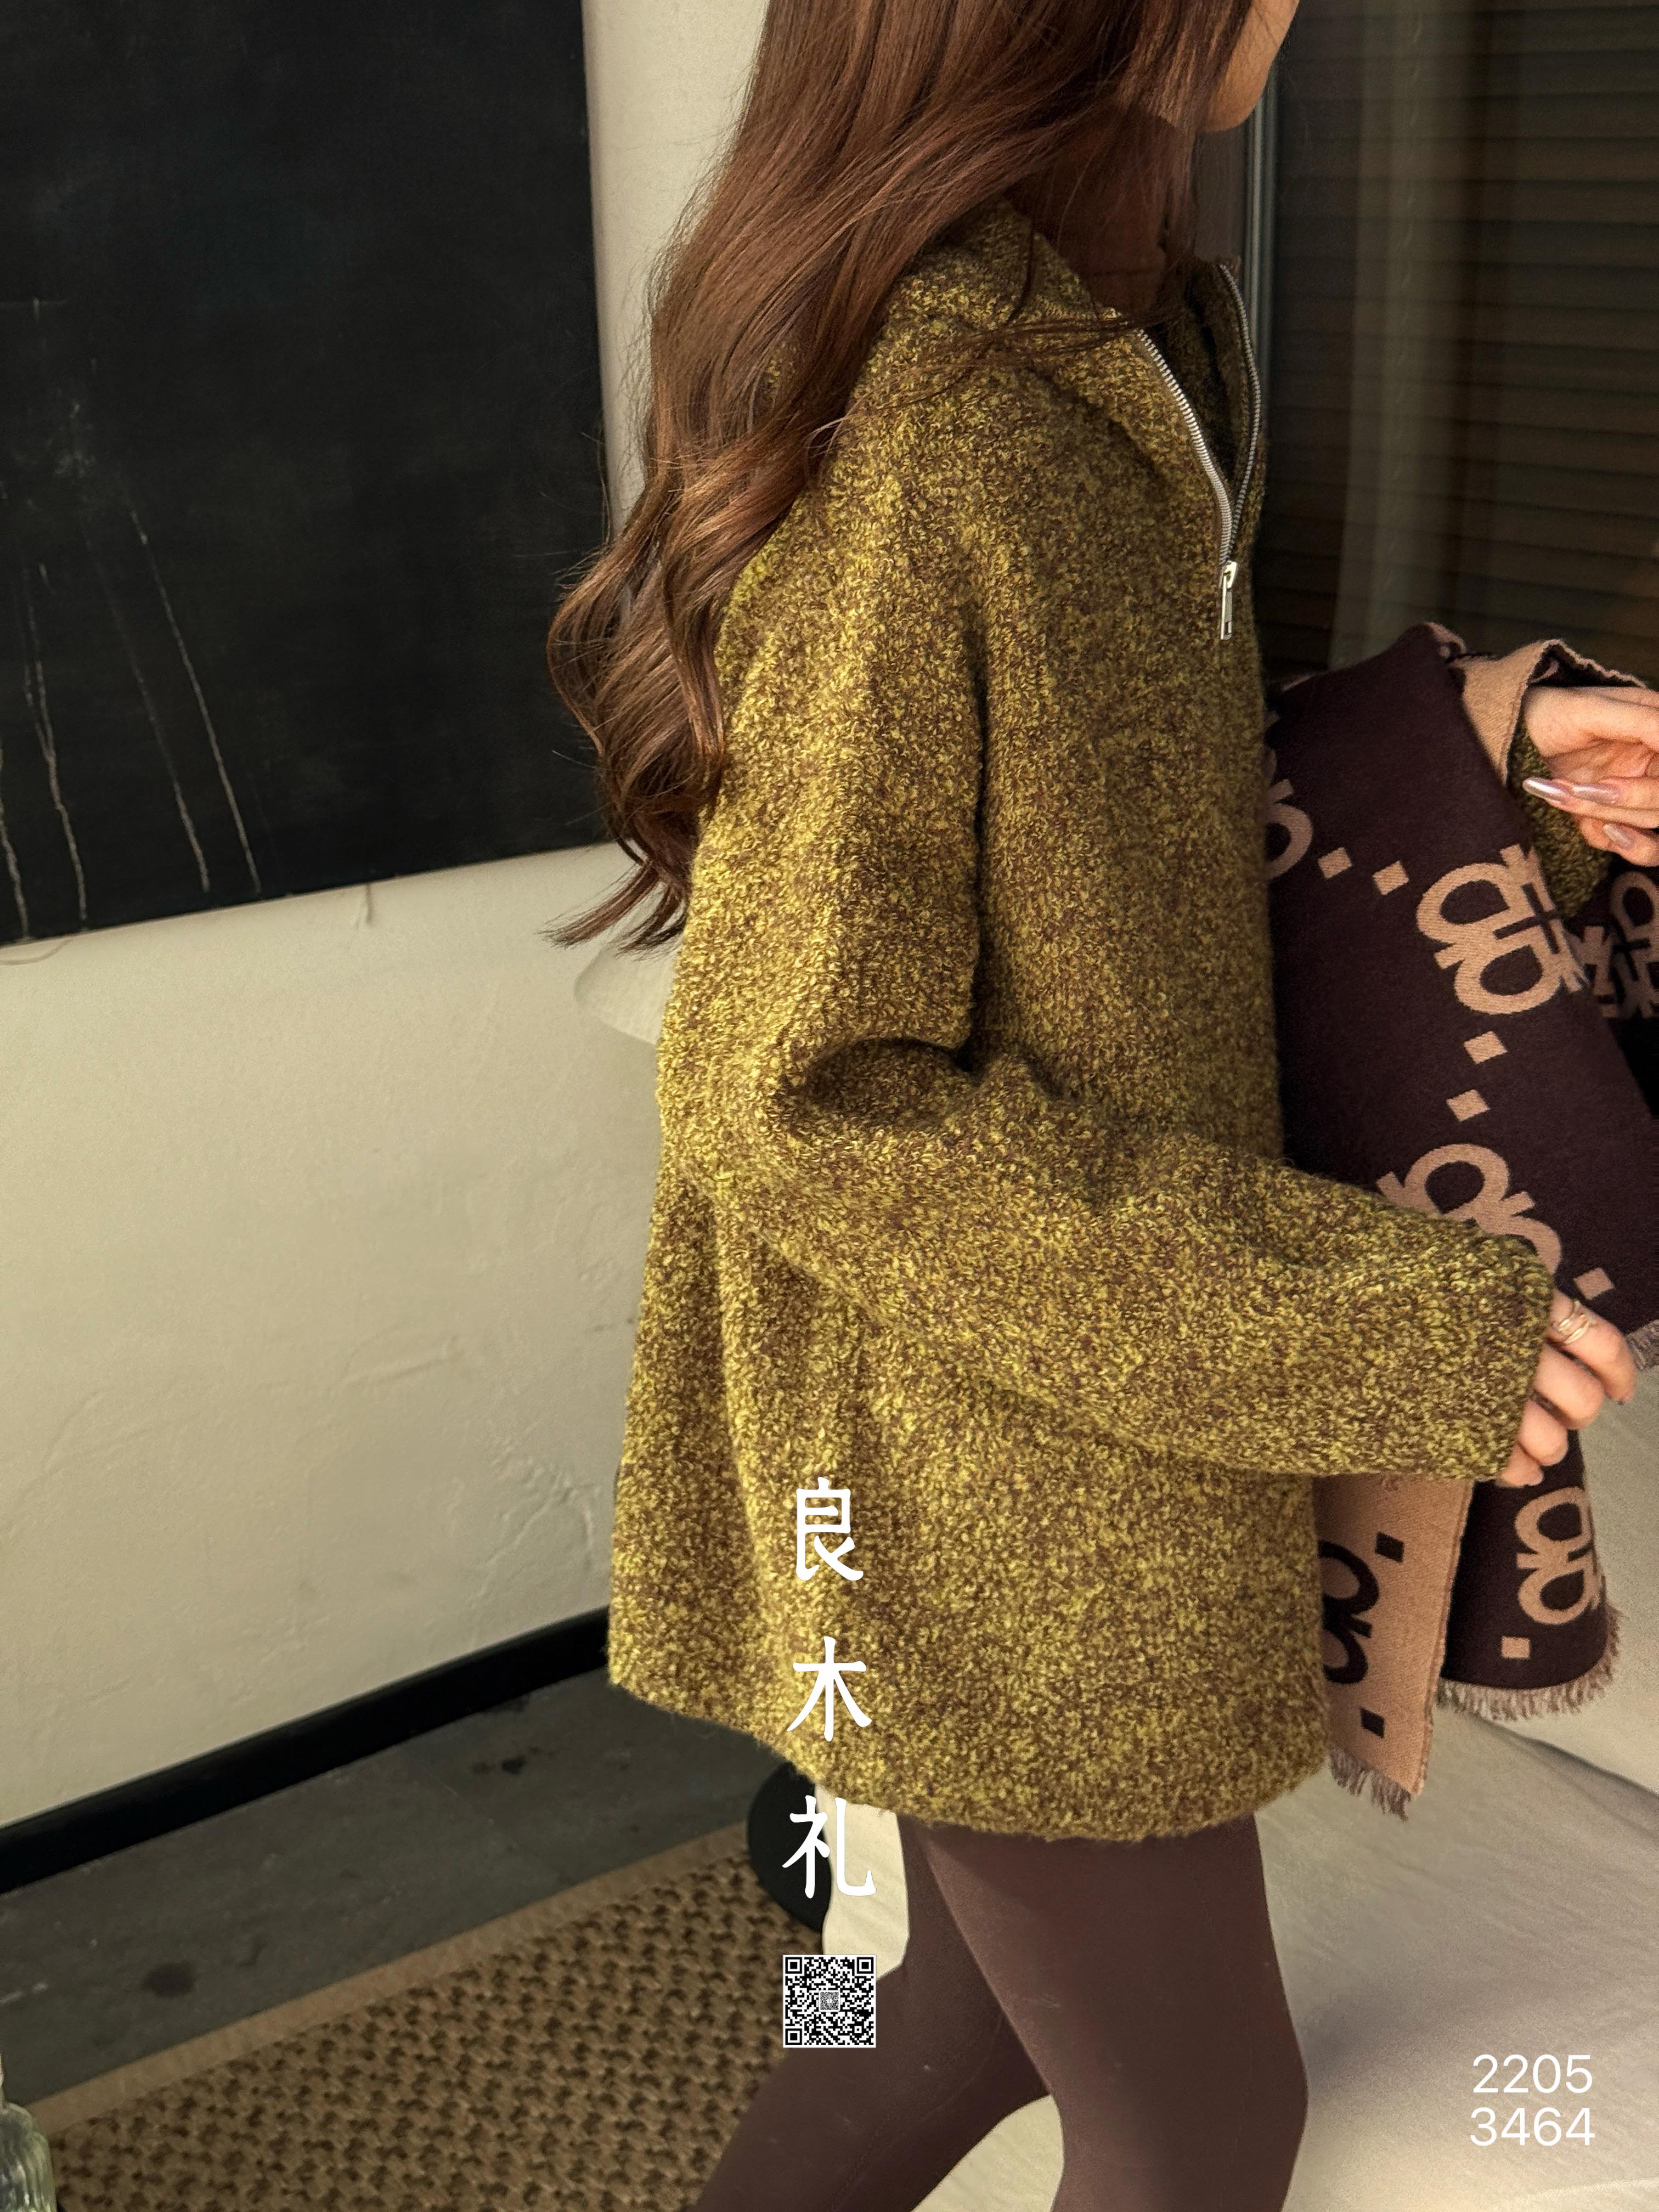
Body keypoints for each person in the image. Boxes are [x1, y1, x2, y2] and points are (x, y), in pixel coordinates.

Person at [545, 2, 1659, 2205]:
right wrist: (1385, 1321)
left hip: (1052, 1433)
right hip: (979, 1490)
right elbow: (800, 1096)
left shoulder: (1125, 350)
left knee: (928, 2034)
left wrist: (1482, 737)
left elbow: (1118, 826)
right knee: (1202, 2127)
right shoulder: (934, 437)